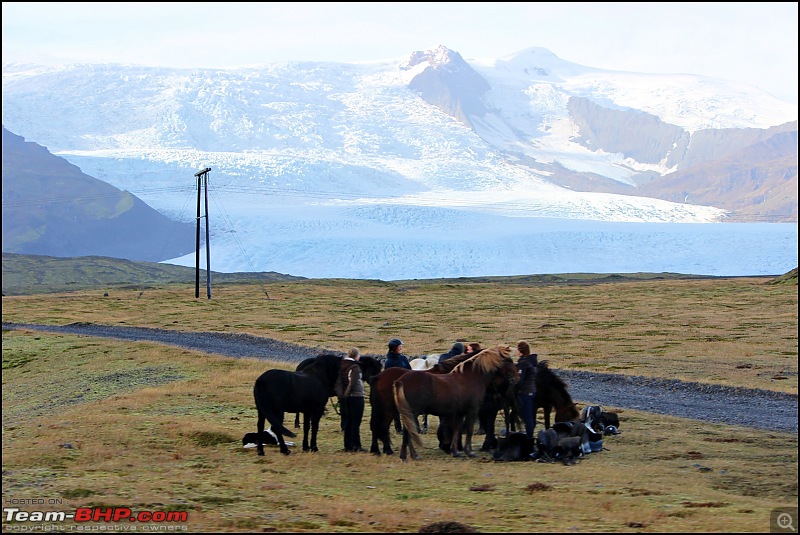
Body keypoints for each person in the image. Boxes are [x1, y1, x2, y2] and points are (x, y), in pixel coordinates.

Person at [340, 347, 366, 452]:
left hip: (346, 398)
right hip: (356, 397)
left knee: (348, 422)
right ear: (356, 356)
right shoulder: (354, 367)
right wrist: (347, 394)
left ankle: (348, 445)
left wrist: (342, 395)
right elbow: (353, 383)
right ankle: (356, 445)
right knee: (356, 422)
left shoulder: (341, 365)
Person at [515, 340, 539, 440]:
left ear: (520, 351)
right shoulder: (531, 361)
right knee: (530, 415)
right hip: (532, 391)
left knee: (527, 416)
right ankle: (530, 435)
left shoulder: (523, 363)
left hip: (525, 392)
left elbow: (520, 380)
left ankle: (529, 438)